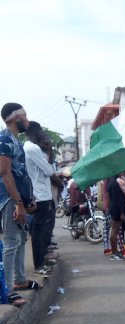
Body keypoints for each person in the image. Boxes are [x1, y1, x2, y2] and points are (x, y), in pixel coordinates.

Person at [0, 103, 37, 306]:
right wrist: (18, 203)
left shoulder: (14, 140)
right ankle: (5, 290)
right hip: (9, 199)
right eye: (25, 115)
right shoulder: (5, 139)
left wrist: (27, 200)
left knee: (21, 238)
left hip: (18, 199)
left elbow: (20, 173)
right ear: (15, 118)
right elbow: (5, 173)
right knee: (12, 242)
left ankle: (20, 280)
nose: (27, 120)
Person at [24, 122, 58, 278]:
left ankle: (41, 261)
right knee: (38, 232)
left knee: (40, 230)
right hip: (40, 195)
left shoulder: (31, 148)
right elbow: (48, 170)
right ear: (36, 132)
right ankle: (39, 265)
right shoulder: (32, 148)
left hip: (41, 194)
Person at [107, 172, 125, 261]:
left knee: (115, 231)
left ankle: (115, 252)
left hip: (114, 208)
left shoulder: (111, 181)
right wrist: (121, 213)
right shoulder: (114, 183)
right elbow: (117, 199)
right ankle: (114, 253)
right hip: (116, 209)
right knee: (114, 231)